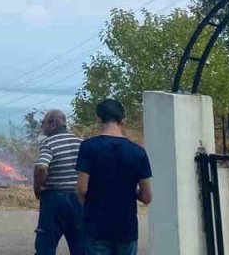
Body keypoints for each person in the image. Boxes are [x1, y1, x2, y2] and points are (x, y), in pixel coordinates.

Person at [75, 99, 152, 255]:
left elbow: (82, 189)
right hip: (127, 228)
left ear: (98, 118)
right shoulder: (138, 152)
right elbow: (147, 196)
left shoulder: (88, 147)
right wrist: (129, 190)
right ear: (123, 120)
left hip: (97, 226)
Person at [33, 109, 85, 255]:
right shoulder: (81, 142)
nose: (42, 126)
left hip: (54, 199)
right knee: (80, 246)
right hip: (79, 199)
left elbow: (42, 168)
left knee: (46, 246)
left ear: (53, 124)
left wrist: (38, 187)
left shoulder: (48, 143)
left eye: (43, 122)